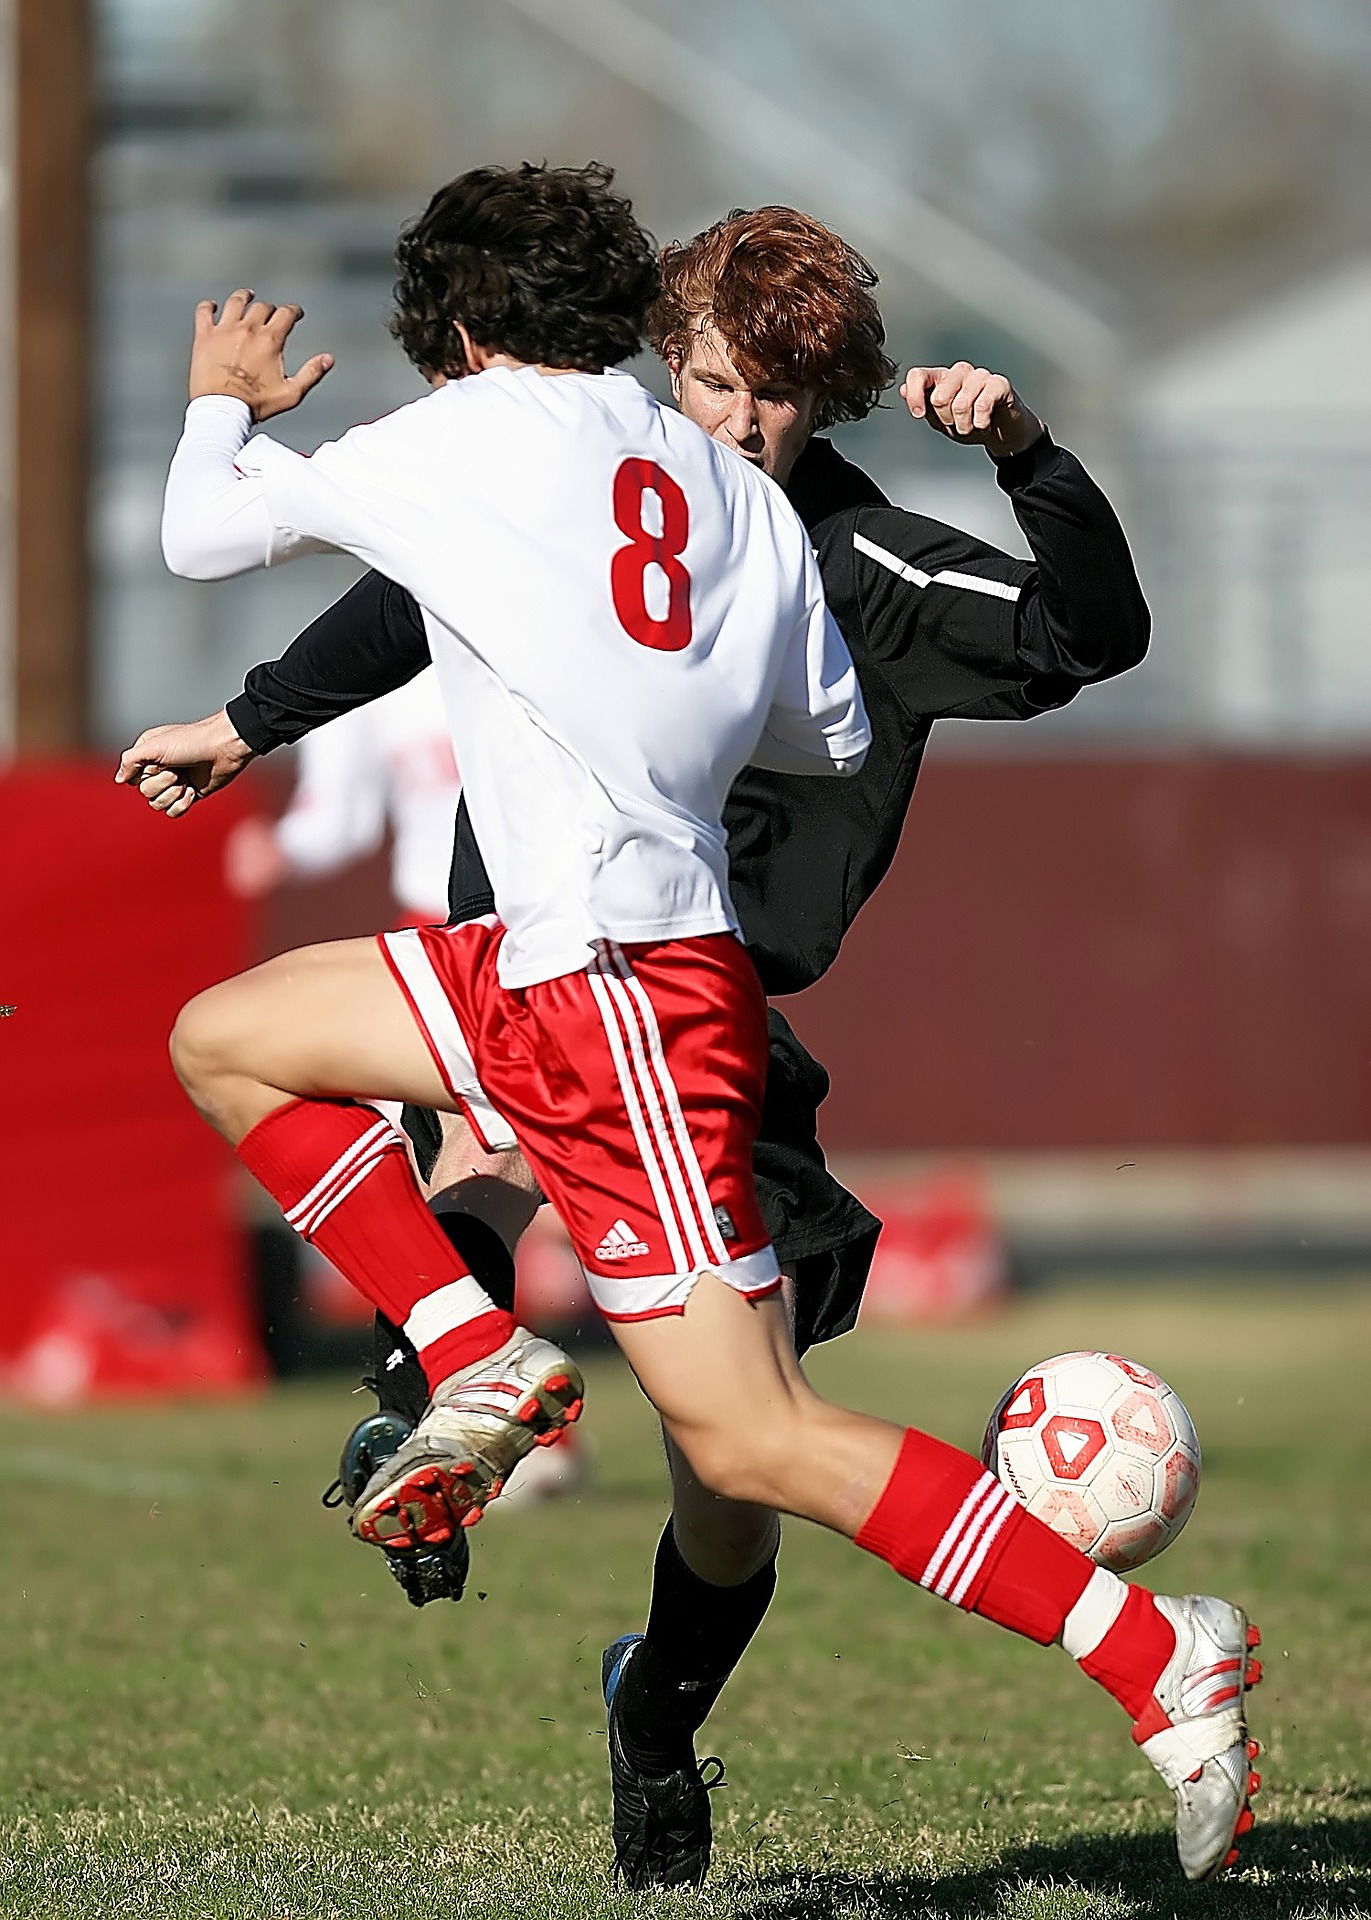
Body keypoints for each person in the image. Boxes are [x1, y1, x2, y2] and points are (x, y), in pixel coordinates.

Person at [124, 179, 1261, 1894]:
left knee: (744, 1454)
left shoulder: (525, 446)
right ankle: (462, 1346)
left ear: (466, 335)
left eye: (773, 392)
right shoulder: (710, 500)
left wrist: (222, 396)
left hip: (640, 998)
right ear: (646, 339)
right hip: (567, 965)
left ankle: (1146, 1652)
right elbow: (808, 730)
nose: (739, 418)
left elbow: (208, 532)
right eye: (714, 377)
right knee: (229, 1037)